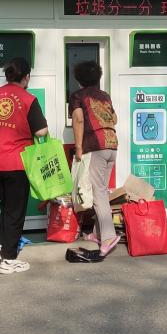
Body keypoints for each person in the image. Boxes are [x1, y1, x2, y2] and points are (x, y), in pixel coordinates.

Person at [0, 57, 48, 275]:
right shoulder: (28, 99)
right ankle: (9, 260)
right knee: (15, 211)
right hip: (15, 163)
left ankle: (2, 247)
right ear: (26, 77)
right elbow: (41, 131)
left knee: (7, 206)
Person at [68, 60, 122, 256]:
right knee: (102, 191)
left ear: (78, 79)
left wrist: (78, 147)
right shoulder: (104, 96)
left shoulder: (77, 96)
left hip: (95, 146)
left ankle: (108, 237)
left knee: (98, 192)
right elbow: (114, 119)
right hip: (112, 145)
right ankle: (97, 233)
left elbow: (78, 119)